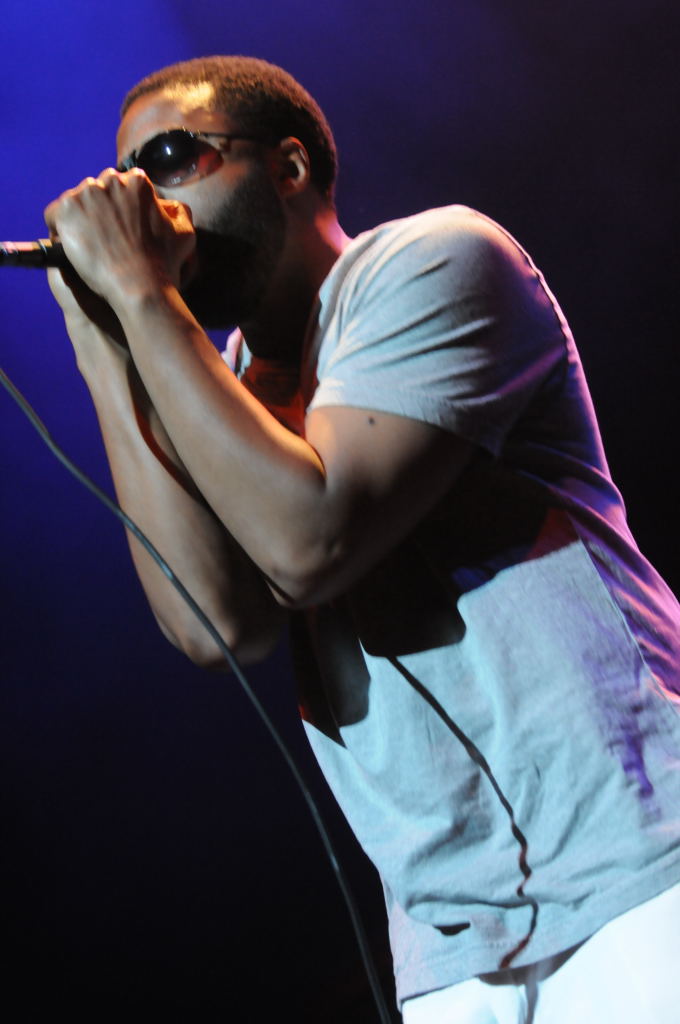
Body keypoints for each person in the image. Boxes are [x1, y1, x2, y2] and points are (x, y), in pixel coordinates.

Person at [44, 56, 680, 1022]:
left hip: (635, 857)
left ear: (289, 166)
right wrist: (105, 341)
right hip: (452, 940)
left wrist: (141, 295)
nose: (146, 202)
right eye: (128, 179)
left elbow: (310, 543)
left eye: (171, 159)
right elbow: (218, 626)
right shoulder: (228, 383)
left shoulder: (435, 260)